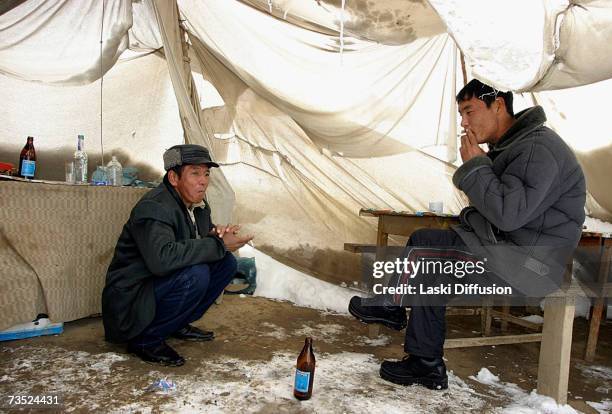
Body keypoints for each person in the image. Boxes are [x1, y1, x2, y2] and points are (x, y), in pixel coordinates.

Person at [349, 79, 586, 390]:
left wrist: (475, 166)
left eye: (469, 111)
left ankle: (403, 323)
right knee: (428, 253)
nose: (464, 122)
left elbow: (508, 214)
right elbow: (499, 210)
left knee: (428, 256)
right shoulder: (515, 146)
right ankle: (419, 351)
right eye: (461, 114)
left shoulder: (537, 148)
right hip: (509, 253)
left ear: (498, 105)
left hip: (531, 266)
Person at [102, 144, 253, 366]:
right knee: (197, 273)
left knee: (226, 262)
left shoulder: (197, 204)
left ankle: (176, 323)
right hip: (131, 301)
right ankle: (145, 339)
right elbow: (162, 260)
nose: (203, 180)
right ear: (174, 178)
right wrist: (217, 244)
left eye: (206, 173)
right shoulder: (155, 207)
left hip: (154, 287)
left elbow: (195, 238)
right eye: (195, 173)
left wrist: (215, 233)